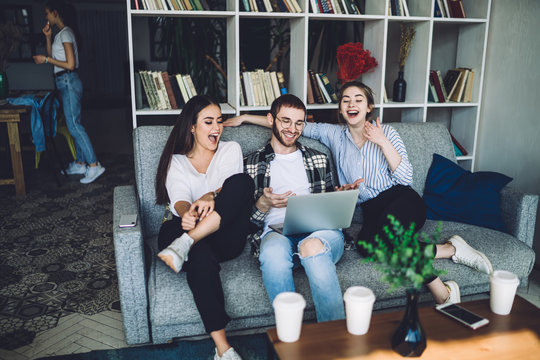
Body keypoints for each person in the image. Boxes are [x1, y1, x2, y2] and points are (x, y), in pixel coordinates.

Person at [225, 82, 493, 305]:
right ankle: (448, 249)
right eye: (345, 100)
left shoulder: (386, 132)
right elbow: (292, 125)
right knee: (368, 246)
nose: (352, 105)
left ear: (368, 107)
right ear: (340, 109)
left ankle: (441, 279)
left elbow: (406, 178)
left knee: (386, 242)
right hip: (371, 209)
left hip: (402, 199)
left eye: (358, 100)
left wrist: (382, 141)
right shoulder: (333, 134)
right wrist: (248, 118)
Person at [155, 95, 254, 360]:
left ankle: (186, 243)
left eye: (219, 121)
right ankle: (224, 349)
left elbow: (229, 189)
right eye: (208, 122)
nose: (217, 128)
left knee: (243, 182)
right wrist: (187, 215)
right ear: (192, 127)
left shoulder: (229, 149)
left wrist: (210, 195)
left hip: (225, 234)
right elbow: (179, 200)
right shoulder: (176, 161)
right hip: (185, 230)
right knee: (199, 254)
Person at [243, 94, 345, 322]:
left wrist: (337, 197)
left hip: (321, 232)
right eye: (285, 121)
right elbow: (245, 224)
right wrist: (263, 203)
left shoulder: (319, 158)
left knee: (312, 246)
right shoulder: (251, 163)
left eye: (299, 123)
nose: (292, 129)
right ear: (271, 119)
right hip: (276, 234)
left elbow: (330, 207)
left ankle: (336, 340)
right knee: (271, 256)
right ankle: (292, 337)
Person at [33, 0, 105, 184]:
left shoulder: (66, 33)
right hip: (65, 82)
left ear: (55, 13)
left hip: (68, 81)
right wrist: (48, 37)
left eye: (47, 13)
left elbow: (70, 64)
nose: (46, 17)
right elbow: (55, 56)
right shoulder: (60, 34)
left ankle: (94, 165)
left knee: (74, 125)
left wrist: (46, 59)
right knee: (75, 123)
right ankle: (81, 163)